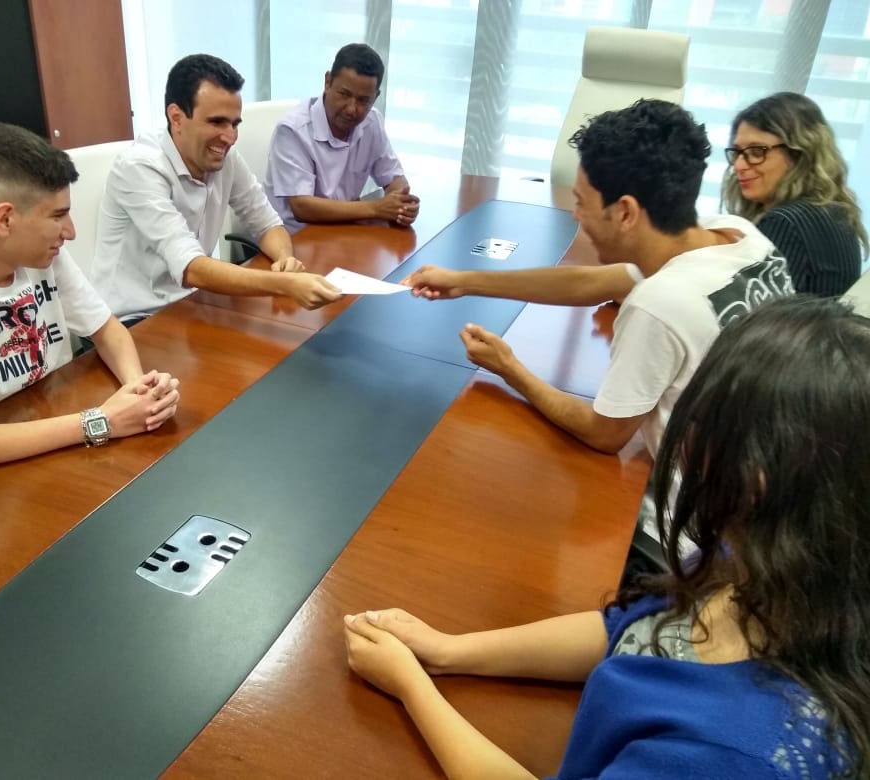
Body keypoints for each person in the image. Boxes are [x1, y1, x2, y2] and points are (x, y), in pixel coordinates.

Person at [345, 296, 870, 779]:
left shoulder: (733, 756)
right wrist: (448, 652)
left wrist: (412, 688)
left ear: (753, 484)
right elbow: (629, 626)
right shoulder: (765, 554)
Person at [403, 99, 793, 458]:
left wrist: (508, 368)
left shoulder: (660, 303)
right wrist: (464, 281)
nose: (576, 215)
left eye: (581, 202)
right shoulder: (738, 234)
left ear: (625, 213)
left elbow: (604, 433)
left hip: (690, 504)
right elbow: (590, 284)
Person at [0, 122, 180, 474]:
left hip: (42, 426)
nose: (71, 232)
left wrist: (138, 393)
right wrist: (101, 421)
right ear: (4, 220)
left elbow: (108, 331)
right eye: (58, 216)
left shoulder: (38, 254)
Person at [91, 54, 342, 324]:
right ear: (176, 117)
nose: (230, 137)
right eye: (217, 122)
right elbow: (191, 268)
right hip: (132, 320)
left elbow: (268, 224)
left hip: (193, 303)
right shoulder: (140, 167)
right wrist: (285, 284)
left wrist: (285, 259)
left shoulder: (225, 158)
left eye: (235, 124)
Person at [722, 92, 867, 296]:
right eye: (737, 152)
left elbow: (751, 310)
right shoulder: (831, 211)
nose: (739, 165)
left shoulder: (785, 222)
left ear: (800, 154)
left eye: (757, 152)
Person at [264, 42, 419, 233]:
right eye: (344, 94)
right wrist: (377, 208)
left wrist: (401, 205)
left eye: (363, 100)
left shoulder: (372, 122)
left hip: (345, 230)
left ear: (376, 96)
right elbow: (302, 207)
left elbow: (394, 178)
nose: (352, 109)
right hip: (295, 237)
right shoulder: (293, 130)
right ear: (328, 82)